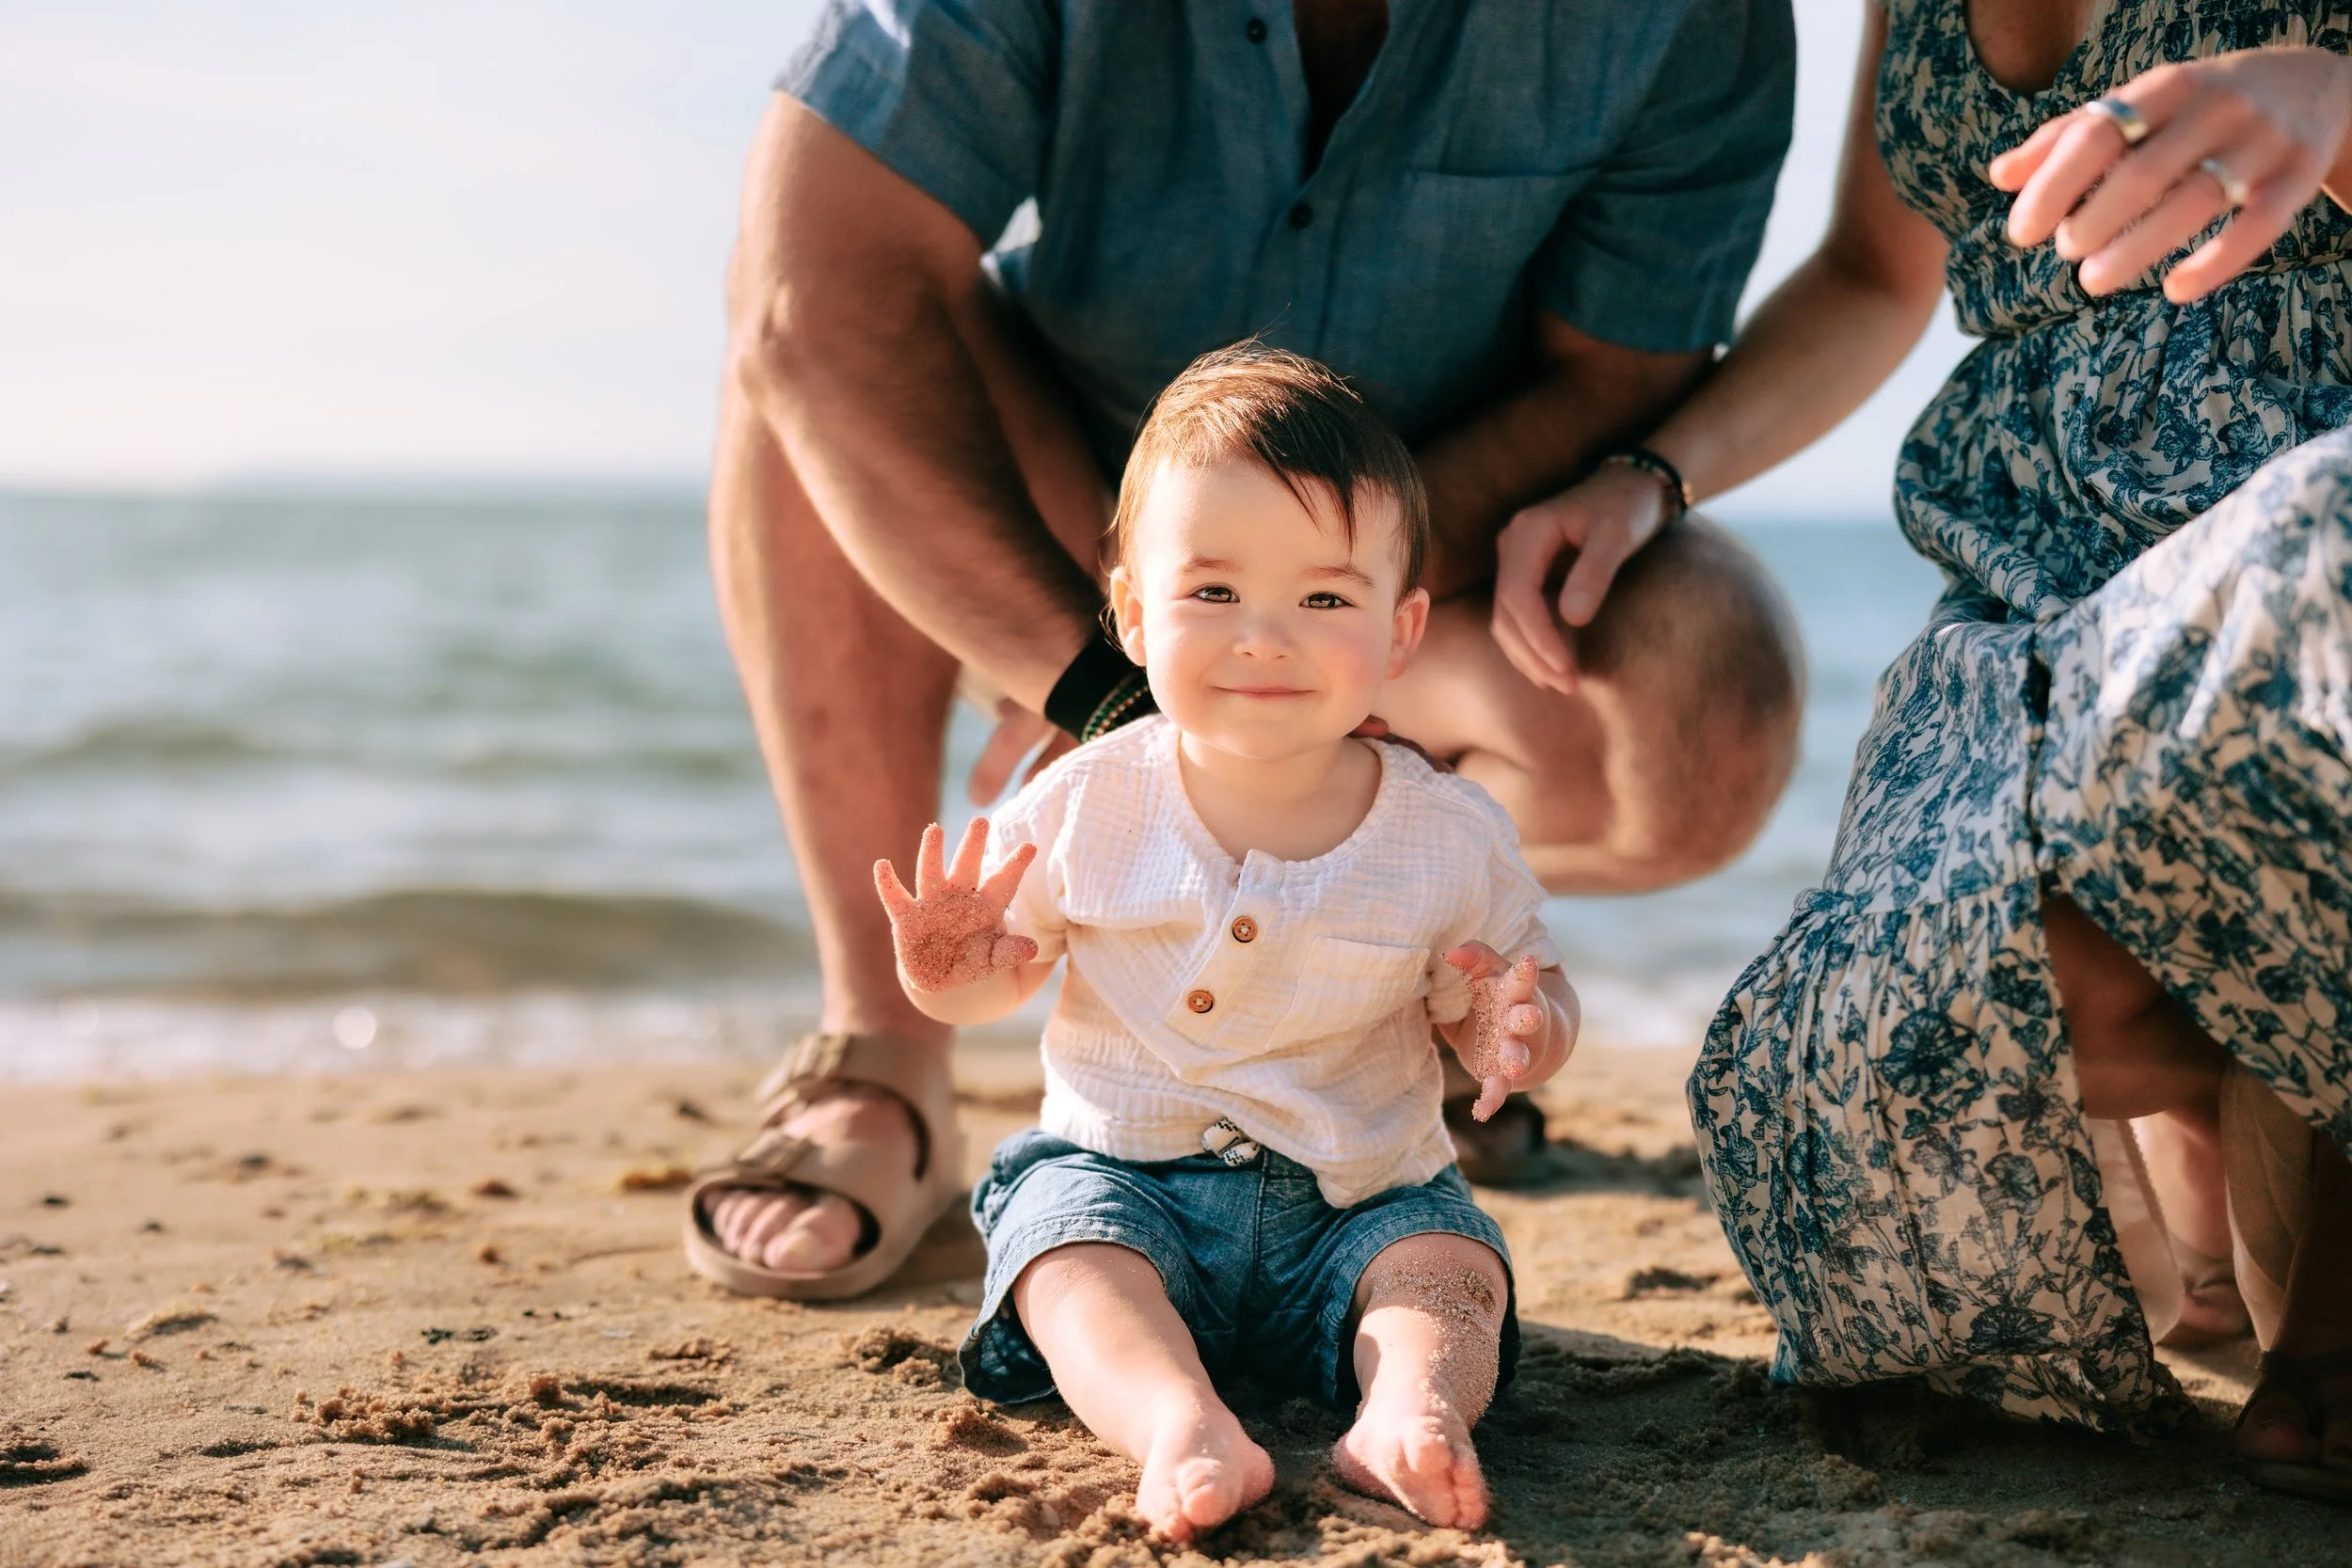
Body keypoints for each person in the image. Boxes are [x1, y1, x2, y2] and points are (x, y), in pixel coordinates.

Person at [684, 0, 1804, 1302]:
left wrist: (1322, 595)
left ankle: (1392, 1003)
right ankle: (877, 1046)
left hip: (1410, 539)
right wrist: (1114, 681)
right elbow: (808, 288)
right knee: (809, 338)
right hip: (1060, 497)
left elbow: (1619, 367)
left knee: (1703, 695)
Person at [1487, 0, 2352, 1498]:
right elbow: (1874, 277)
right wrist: (1648, 477)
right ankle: (2239, 1113)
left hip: (2305, 564)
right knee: (1834, 1085)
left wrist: (2334, 98)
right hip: (2035, 602)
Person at [895, 345, 1575, 1541]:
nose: (1264, 636)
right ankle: (1174, 1416)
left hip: (1357, 1199)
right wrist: (949, 972)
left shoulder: (1445, 831)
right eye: (1212, 595)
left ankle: (1407, 1410)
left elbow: (1521, 988)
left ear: (1401, 628)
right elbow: (994, 983)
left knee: (1450, 1268)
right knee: (1063, 1257)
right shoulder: (1082, 801)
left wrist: (1515, 1026)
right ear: (1132, 614)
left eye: (1323, 599)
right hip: (1127, 1185)